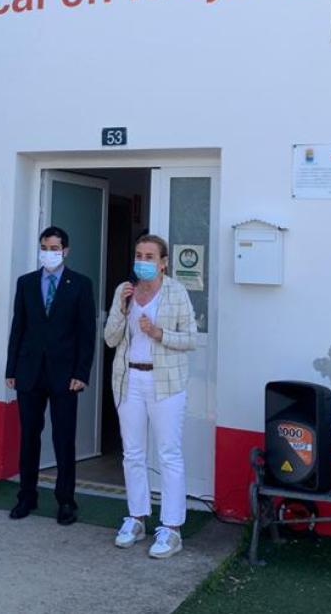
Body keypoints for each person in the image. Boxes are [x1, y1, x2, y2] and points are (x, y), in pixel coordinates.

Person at [104, 234, 197, 559]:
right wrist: (120, 307)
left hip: (166, 383)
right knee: (133, 454)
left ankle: (171, 528)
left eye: (149, 256)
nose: (142, 261)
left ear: (163, 262)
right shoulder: (124, 291)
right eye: (138, 254)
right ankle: (136, 518)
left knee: (169, 453)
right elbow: (110, 338)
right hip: (129, 379)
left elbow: (190, 339)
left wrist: (160, 334)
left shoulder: (176, 292)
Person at [5, 226, 96, 525]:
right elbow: (18, 327)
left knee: (63, 439)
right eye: (45, 246)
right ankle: (26, 496)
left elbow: (86, 333)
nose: (49, 252)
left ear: (65, 250)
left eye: (55, 247)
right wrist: (12, 370)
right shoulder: (27, 282)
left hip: (65, 376)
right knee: (29, 437)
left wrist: (81, 373)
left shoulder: (80, 284)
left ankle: (66, 501)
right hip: (29, 373)